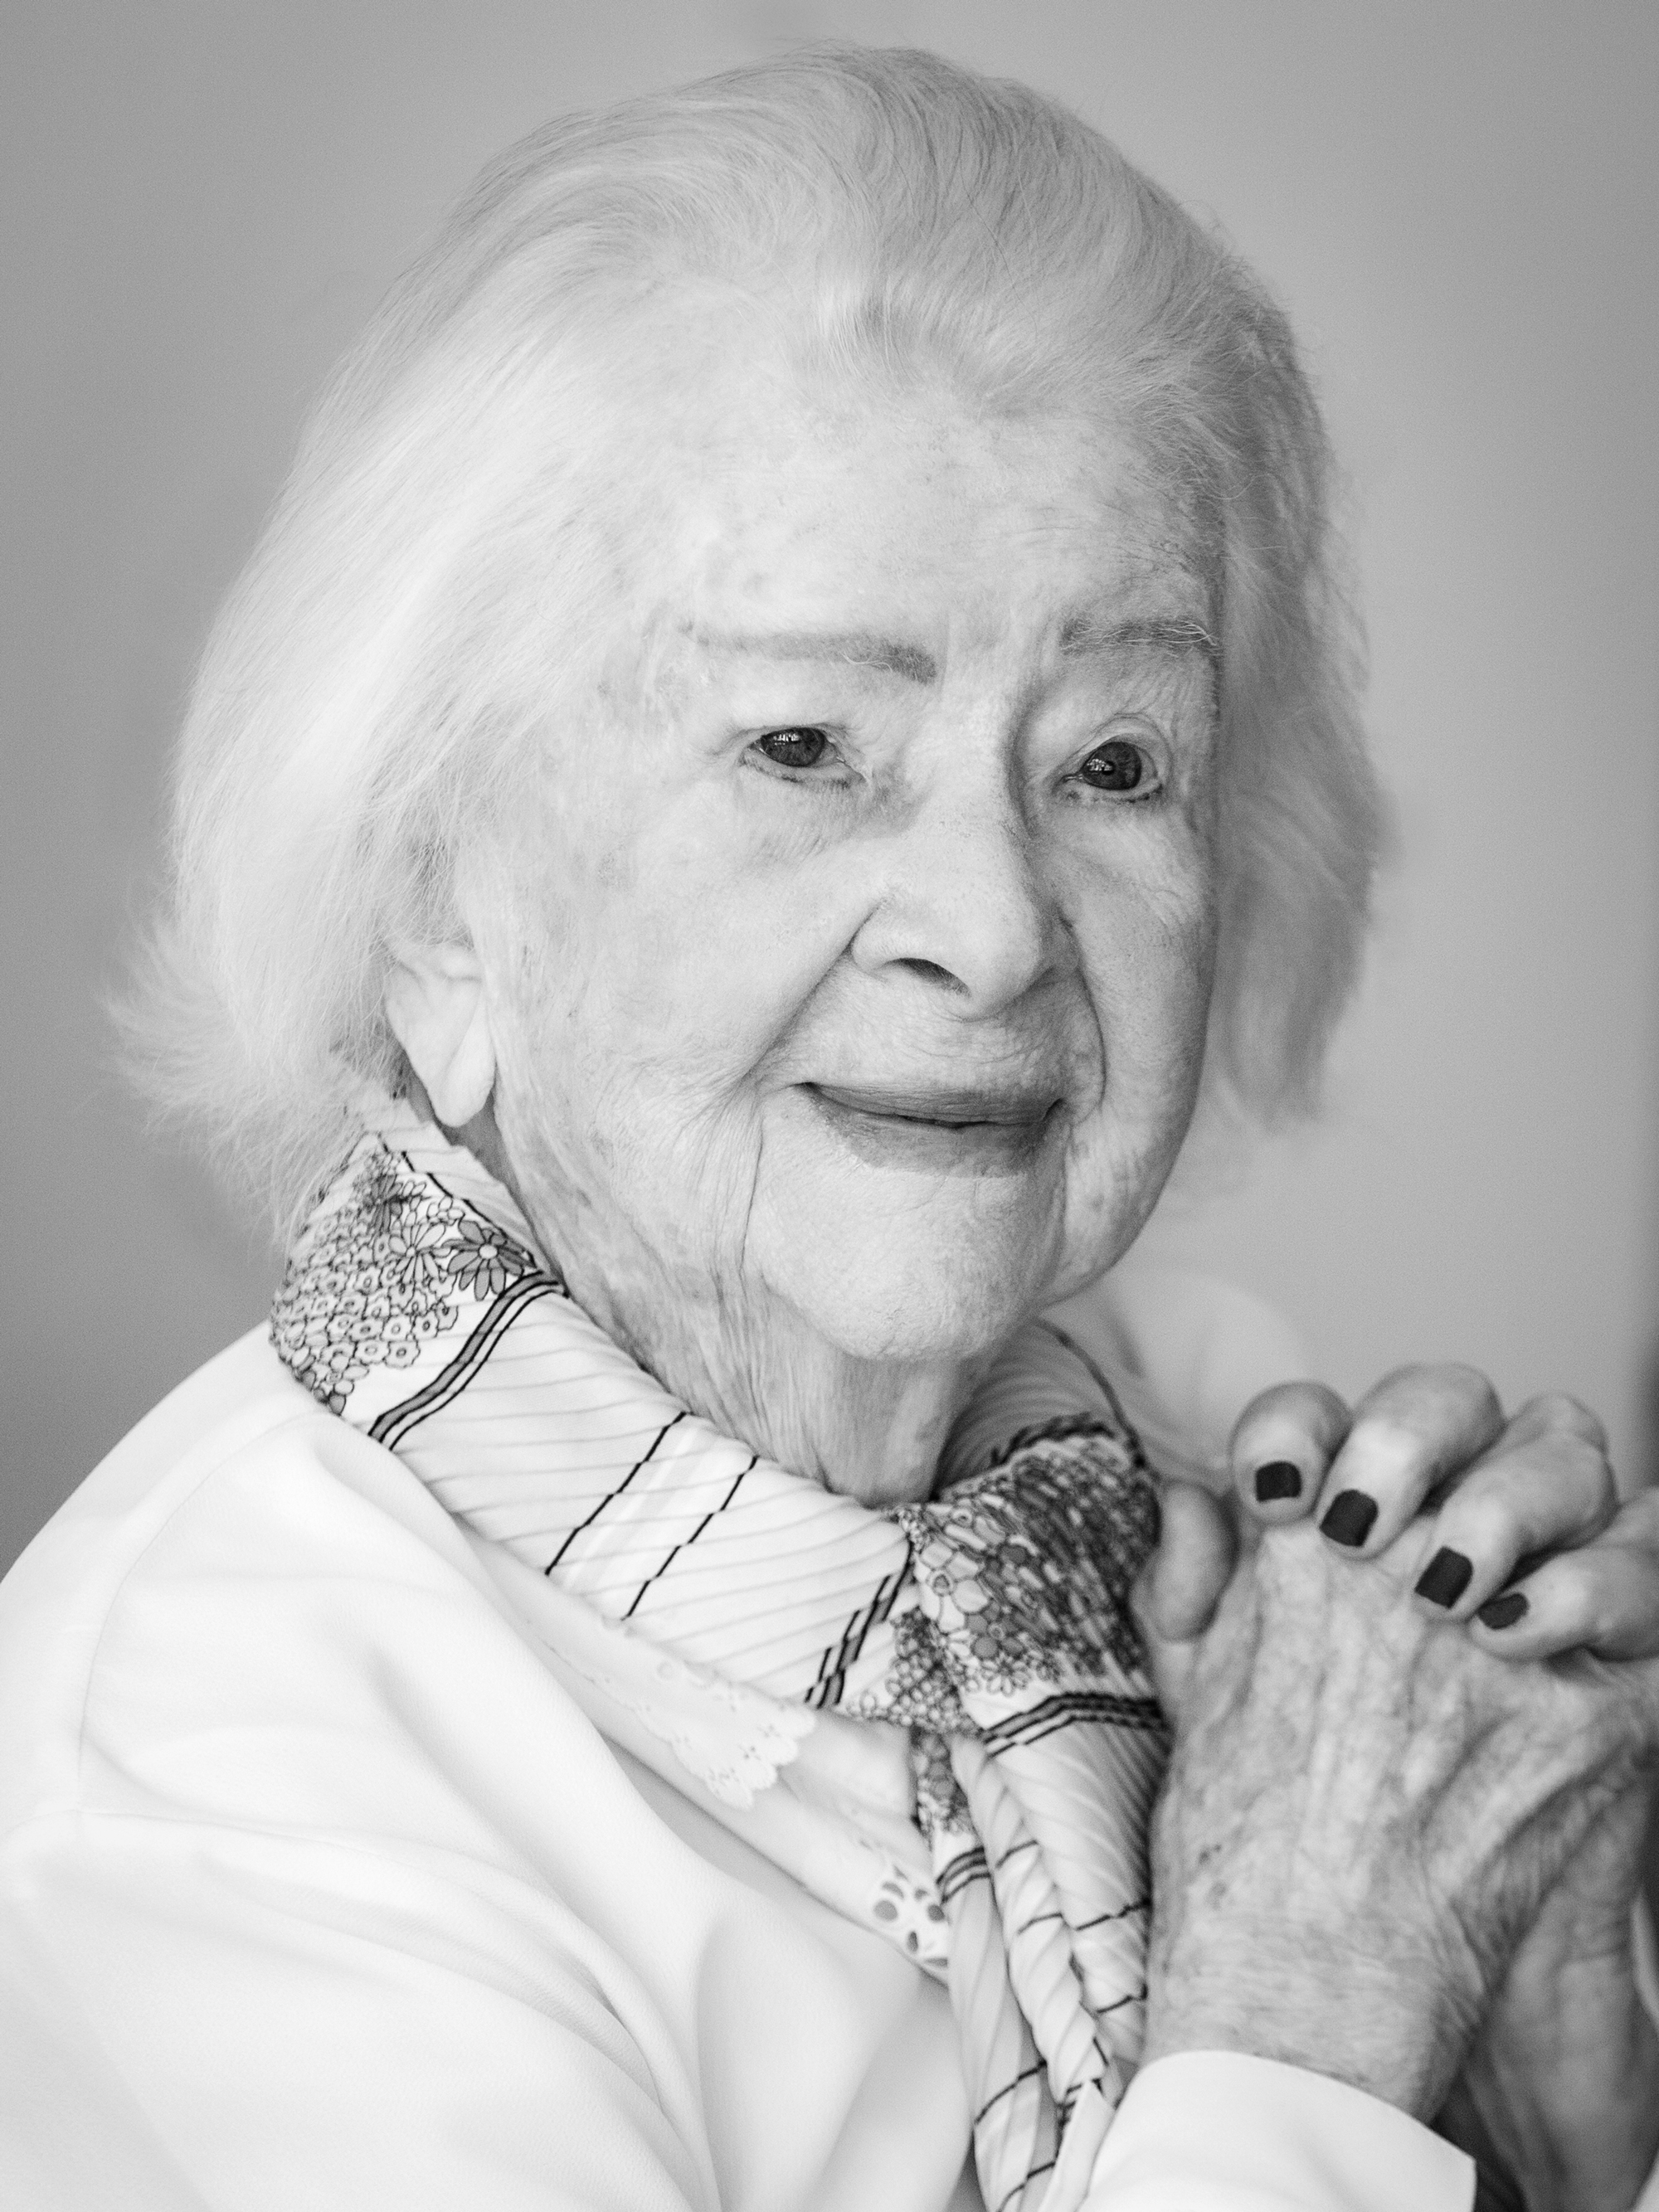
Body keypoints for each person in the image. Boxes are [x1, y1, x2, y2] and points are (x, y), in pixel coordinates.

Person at [2, 42, 1655, 2211]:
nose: (995, 923)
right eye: (805, 744)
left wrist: (1552, 2125)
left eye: (1116, 762)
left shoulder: (1179, 1459)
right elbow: (1311, 2020)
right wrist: (1312, 2007)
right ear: (433, 902)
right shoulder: (214, 1785)